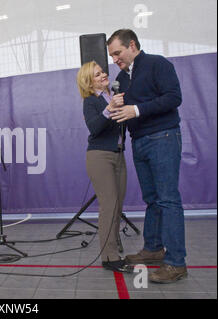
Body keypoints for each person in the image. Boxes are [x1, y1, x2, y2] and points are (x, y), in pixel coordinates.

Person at [106, 29, 187, 283]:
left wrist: (136, 110)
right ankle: (153, 249)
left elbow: (174, 97)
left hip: (163, 138)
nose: (115, 59)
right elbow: (128, 112)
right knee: (152, 199)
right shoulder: (121, 77)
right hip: (139, 142)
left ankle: (176, 263)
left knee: (168, 200)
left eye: (117, 53)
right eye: (112, 56)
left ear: (132, 45)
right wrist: (118, 107)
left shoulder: (157, 64)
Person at [76, 61, 132, 273]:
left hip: (118, 155)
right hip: (99, 156)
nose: (103, 75)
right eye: (97, 74)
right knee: (109, 204)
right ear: (90, 83)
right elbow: (95, 127)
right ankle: (109, 256)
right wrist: (109, 109)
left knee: (117, 206)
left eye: (102, 71)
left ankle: (113, 246)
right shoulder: (90, 101)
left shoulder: (115, 96)